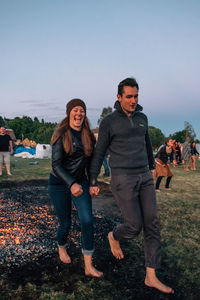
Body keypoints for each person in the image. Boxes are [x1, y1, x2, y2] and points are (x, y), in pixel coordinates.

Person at [89, 77, 173, 293]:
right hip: (122, 177)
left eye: (136, 96)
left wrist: (151, 166)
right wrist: (93, 178)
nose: (133, 100)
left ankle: (151, 276)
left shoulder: (142, 117)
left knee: (152, 223)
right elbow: (99, 151)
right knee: (134, 226)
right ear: (119, 97)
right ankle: (113, 235)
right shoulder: (109, 121)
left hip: (144, 176)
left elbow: (146, 144)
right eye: (129, 96)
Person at [48, 98, 103, 277]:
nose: (79, 113)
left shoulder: (88, 135)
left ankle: (88, 265)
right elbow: (56, 164)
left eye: (82, 110)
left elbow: (91, 163)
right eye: (75, 110)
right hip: (59, 183)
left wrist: (93, 182)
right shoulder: (61, 133)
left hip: (81, 181)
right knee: (65, 223)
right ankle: (62, 247)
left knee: (87, 220)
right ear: (69, 112)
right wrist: (71, 183)